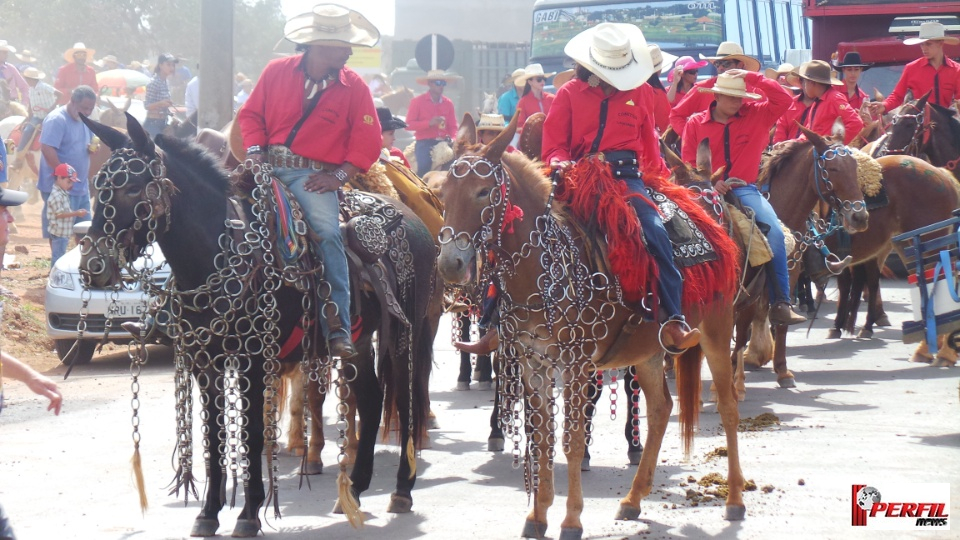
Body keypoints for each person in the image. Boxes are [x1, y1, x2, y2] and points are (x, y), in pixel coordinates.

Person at [542, 22, 701, 350]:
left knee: (656, 231)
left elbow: (649, 147)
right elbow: (554, 145)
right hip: (578, 177)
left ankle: (673, 318)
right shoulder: (569, 93)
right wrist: (558, 162)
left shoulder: (642, 91)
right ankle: (496, 319)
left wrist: (659, 180)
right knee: (527, 230)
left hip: (628, 179)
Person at [237, 4, 384, 358]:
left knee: (330, 234)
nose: (349, 51)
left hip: (312, 177)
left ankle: (338, 324)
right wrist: (255, 151)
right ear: (319, 46)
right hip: (265, 167)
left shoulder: (355, 87)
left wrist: (338, 176)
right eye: (342, 45)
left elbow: (368, 141)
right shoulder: (276, 72)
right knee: (217, 214)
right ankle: (177, 308)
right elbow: (251, 115)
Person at [681, 71, 807, 325]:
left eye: (740, 97)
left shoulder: (758, 114)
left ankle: (781, 302)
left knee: (774, 233)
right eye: (730, 97)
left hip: (744, 189)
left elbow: (784, 98)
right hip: (704, 189)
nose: (737, 102)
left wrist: (754, 77)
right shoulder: (695, 123)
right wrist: (711, 182)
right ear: (716, 96)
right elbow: (688, 163)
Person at [39, 86, 96, 249]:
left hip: (80, 186)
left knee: (85, 231)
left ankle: (82, 267)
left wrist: (91, 148)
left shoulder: (85, 121)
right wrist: (63, 175)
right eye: (84, 108)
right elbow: (47, 148)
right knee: (60, 235)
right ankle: (58, 268)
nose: (87, 112)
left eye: (91, 109)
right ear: (72, 101)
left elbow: (86, 144)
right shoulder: (57, 119)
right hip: (59, 188)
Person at [669, 42, 762, 137]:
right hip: (709, 150)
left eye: (726, 64)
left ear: (740, 65)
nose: (720, 68)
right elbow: (676, 115)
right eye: (717, 64)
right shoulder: (702, 88)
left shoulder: (756, 92)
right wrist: (692, 138)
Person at [870, 22, 960, 115]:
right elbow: (898, 96)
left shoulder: (956, 70)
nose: (924, 48)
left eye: (928, 44)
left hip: (946, 123)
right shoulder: (911, 68)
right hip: (918, 123)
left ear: (940, 44)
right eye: (922, 44)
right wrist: (885, 105)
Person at [779, 60, 863, 145]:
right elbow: (810, 132)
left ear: (811, 82)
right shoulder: (816, 103)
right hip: (816, 153)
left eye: (805, 82)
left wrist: (835, 145)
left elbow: (856, 123)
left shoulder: (834, 98)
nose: (803, 86)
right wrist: (793, 143)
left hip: (826, 155)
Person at [406, 69, 458, 176]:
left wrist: (453, 138)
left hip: (445, 142)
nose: (441, 86)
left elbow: (453, 126)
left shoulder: (448, 103)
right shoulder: (417, 102)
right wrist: (428, 123)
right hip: (425, 142)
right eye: (438, 83)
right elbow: (408, 125)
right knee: (424, 167)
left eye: (443, 83)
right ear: (430, 84)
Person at [46, 164, 86, 266]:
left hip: (62, 232)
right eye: (68, 182)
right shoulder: (56, 195)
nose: (70, 185)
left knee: (59, 255)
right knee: (58, 256)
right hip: (59, 233)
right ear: (59, 178)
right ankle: (54, 275)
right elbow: (59, 214)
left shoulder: (62, 193)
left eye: (71, 182)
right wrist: (76, 213)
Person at [16, 68, 61, 154]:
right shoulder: (31, 89)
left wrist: (52, 107)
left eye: (26, 79)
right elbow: (30, 103)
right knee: (27, 131)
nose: (26, 81)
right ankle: (20, 153)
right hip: (37, 116)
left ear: (31, 79)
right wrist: (29, 117)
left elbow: (60, 95)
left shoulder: (45, 87)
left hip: (50, 116)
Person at [144, 53, 178, 139]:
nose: (171, 68)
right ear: (160, 65)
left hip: (163, 121)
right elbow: (147, 106)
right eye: (168, 65)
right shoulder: (154, 83)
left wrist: (172, 114)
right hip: (153, 123)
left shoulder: (166, 82)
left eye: (173, 65)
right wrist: (161, 103)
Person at [514, 63, 556, 132]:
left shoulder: (552, 98)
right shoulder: (523, 102)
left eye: (543, 79)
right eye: (539, 79)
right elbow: (519, 126)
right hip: (532, 141)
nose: (542, 81)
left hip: (551, 137)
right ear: (530, 82)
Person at [0, 41, 29, 107]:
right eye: (4, 52)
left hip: (11, 103)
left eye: (7, 52)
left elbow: (24, 87)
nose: (7, 54)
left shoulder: (11, 68)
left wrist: (24, 103)